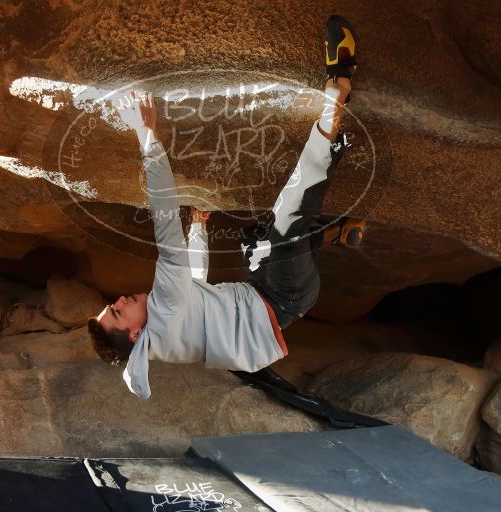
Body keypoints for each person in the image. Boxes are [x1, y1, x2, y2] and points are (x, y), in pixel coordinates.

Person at [88, 15, 363, 399]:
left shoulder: (164, 336)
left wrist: (199, 228)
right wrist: (147, 137)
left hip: (260, 288)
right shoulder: (163, 314)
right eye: (117, 312)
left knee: (254, 239)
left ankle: (339, 233)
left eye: (111, 305)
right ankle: (340, 86)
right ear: (135, 334)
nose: (118, 301)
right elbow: (165, 226)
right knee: (286, 220)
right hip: (284, 295)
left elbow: (194, 283)